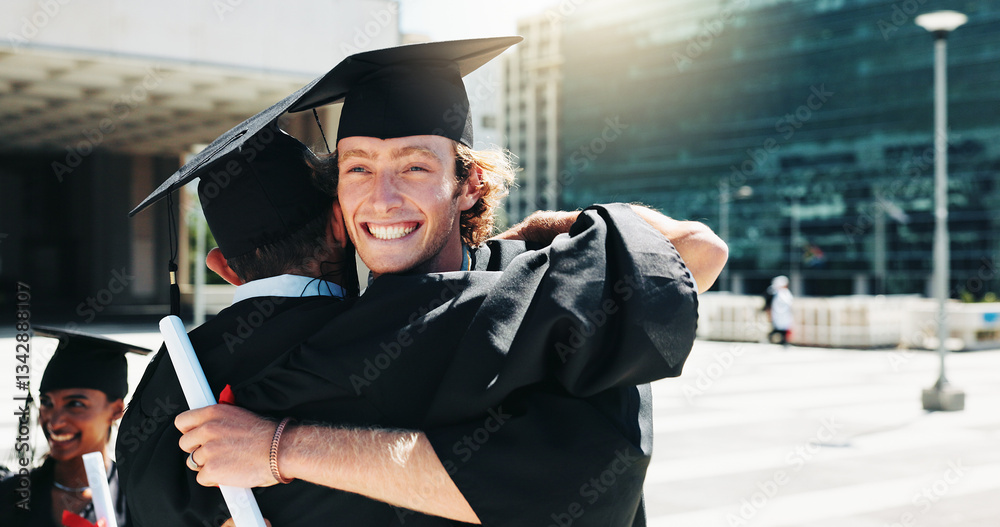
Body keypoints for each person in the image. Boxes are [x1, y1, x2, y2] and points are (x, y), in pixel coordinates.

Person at [168, 37, 726, 526]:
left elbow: (698, 251)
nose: (381, 200)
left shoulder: (542, 290)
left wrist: (279, 448)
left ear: (469, 185)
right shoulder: (335, 330)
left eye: (414, 167)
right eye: (357, 167)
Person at [1, 326, 149, 527]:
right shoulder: (9, 495)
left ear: (116, 410)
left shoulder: (139, 503)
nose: (54, 421)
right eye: (46, 402)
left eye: (76, 404)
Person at [765, 275, 794, 346]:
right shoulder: (775, 293)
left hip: (784, 315)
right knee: (777, 328)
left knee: (784, 328)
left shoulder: (785, 293)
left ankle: (784, 341)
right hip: (778, 314)